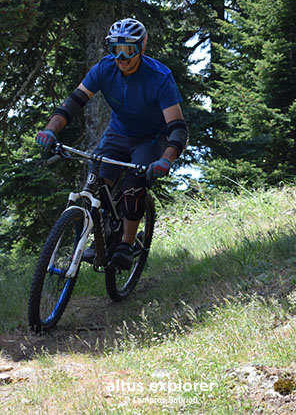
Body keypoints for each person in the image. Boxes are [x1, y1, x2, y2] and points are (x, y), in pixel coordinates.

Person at [35, 18, 188, 269]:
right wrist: (50, 130)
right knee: (98, 181)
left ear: (142, 48)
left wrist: (166, 159)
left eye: (128, 50)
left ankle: (127, 245)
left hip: (150, 139)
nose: (121, 57)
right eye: (114, 48)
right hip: (118, 134)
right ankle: (101, 238)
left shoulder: (160, 77)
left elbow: (177, 127)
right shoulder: (104, 69)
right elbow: (74, 102)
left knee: (133, 185)